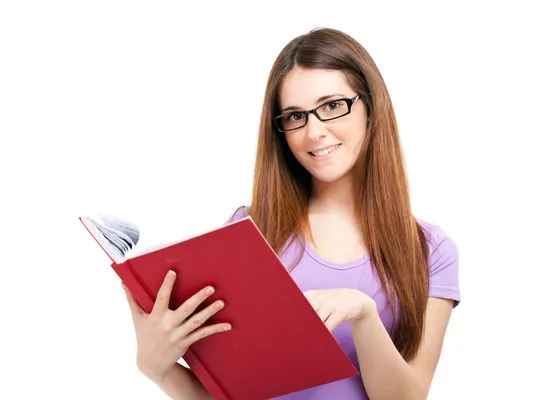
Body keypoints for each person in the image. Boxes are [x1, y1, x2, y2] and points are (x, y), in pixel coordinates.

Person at [122, 27, 461, 400]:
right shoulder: (250, 230)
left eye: (332, 106)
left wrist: (364, 316)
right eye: (295, 116)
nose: (314, 132)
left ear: (371, 107)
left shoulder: (429, 250)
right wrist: (161, 370)